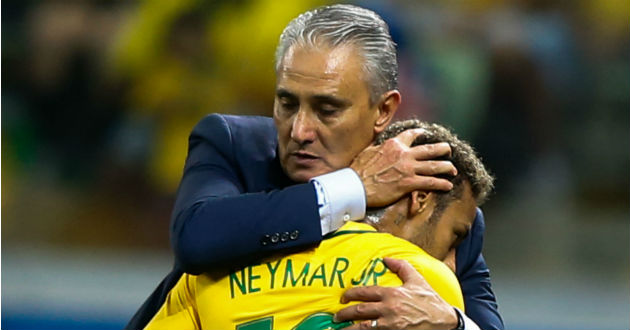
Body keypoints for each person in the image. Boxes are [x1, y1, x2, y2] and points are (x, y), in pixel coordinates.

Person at [126, 4, 503, 330]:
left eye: (327, 110)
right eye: (287, 104)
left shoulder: (436, 193)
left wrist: (450, 323)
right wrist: (353, 188)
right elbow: (197, 239)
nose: (300, 130)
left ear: (384, 110)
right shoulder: (236, 146)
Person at [144, 120, 494, 330]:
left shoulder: (215, 270)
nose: (453, 261)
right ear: (420, 198)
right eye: (456, 237)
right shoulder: (427, 292)